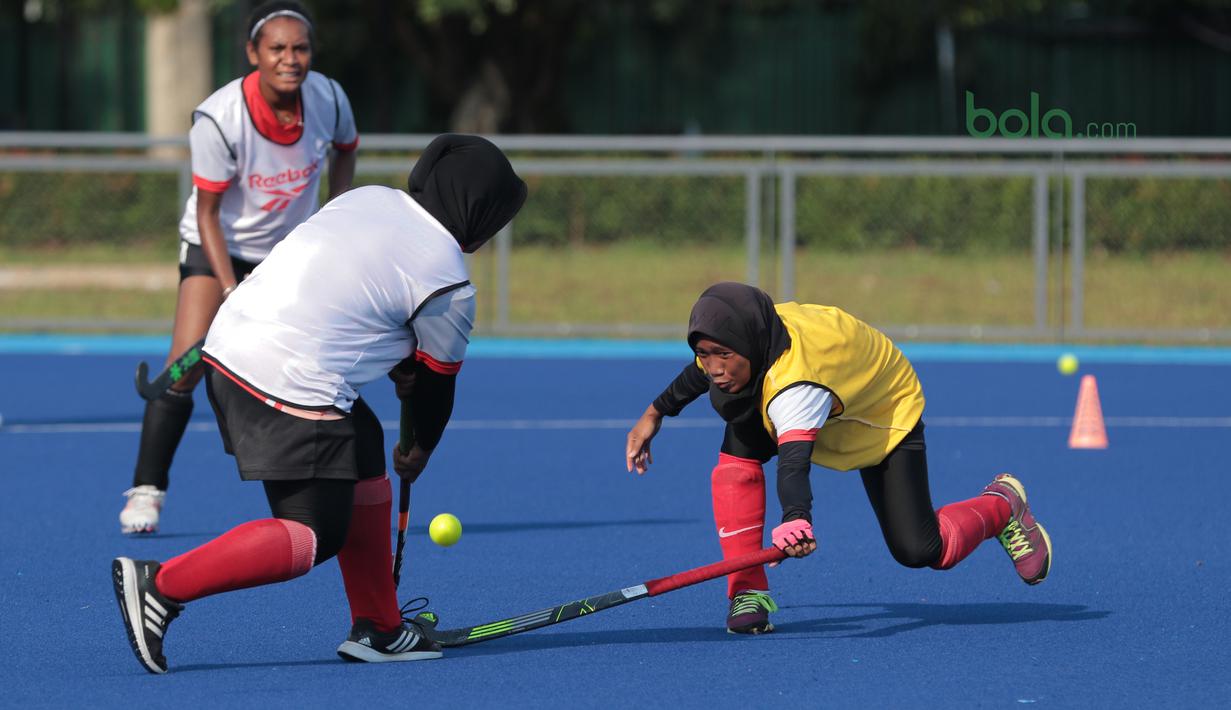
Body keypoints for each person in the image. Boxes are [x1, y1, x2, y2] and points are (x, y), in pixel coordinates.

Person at [111, 134, 528, 674]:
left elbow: (349, 300)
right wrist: (420, 448)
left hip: (227, 348)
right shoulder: (448, 282)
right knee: (314, 531)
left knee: (363, 440)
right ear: (479, 211)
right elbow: (434, 387)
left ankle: (380, 627)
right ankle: (161, 585)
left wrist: (404, 378)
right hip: (287, 381)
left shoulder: (369, 198)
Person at [624, 282, 1052, 635]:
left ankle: (1002, 505)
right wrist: (654, 413)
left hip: (882, 410)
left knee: (921, 549)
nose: (714, 367)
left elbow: (794, 463)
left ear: (748, 344)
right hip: (828, 392)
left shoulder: (795, 387)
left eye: (723, 355)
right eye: (705, 354)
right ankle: (747, 591)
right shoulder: (751, 333)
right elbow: (704, 366)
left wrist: (796, 518)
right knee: (736, 448)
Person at [121, 0, 359, 534]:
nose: (290, 59)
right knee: (185, 366)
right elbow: (208, 213)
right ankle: (147, 491)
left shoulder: (329, 98)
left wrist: (335, 214)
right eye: (277, 48)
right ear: (254, 53)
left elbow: (346, 150)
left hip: (289, 252)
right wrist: (232, 288)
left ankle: (322, 492)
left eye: (300, 48)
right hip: (217, 248)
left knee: (308, 366)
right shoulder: (219, 118)